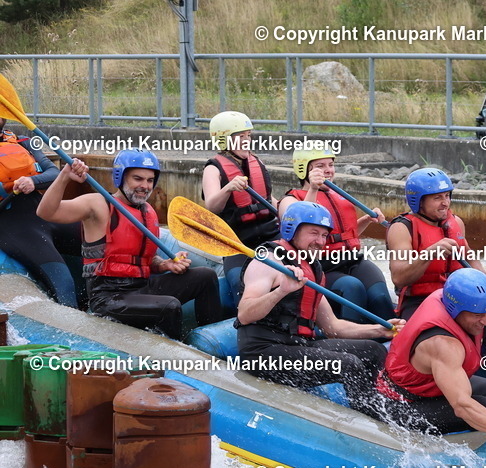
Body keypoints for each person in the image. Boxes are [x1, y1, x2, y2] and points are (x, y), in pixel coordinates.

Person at [36, 150, 221, 340]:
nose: (145, 186)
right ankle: (172, 357)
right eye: (138, 179)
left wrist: (164, 265)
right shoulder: (98, 204)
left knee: (205, 276)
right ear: (121, 177)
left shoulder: (147, 211)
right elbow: (46, 212)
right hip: (108, 296)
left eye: (150, 180)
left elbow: (142, 259)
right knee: (169, 305)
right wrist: (64, 176)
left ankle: (208, 341)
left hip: (141, 287)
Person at [235, 200, 402, 396]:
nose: (321, 242)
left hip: (297, 345)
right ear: (292, 230)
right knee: (349, 365)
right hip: (263, 353)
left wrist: (380, 330)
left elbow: (333, 327)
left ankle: (386, 403)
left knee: (374, 351)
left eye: (324, 235)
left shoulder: (312, 268)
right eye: (313, 233)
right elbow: (245, 315)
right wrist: (281, 291)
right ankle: (371, 419)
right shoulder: (269, 261)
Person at [373, 267, 486, 445]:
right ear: (456, 310)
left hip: (431, 386)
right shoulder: (443, 344)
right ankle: (478, 451)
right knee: (485, 407)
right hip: (402, 405)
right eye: (478, 316)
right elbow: (462, 406)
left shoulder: (462, 304)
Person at [280, 145, 394, 324]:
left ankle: (392, 341)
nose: (328, 170)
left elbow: (345, 235)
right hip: (321, 266)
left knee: (379, 294)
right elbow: (301, 223)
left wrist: (365, 220)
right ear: (304, 169)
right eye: (320, 166)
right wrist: (314, 190)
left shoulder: (337, 196)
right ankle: (353, 343)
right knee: (352, 287)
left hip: (352, 259)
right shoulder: (290, 200)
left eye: (331, 165)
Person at [0, 118, 81, 307]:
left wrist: (33, 182)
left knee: (104, 241)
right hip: (15, 227)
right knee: (64, 283)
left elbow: (54, 172)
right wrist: (12, 185)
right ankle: (74, 330)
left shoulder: (23, 141)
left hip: (46, 213)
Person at [386, 167, 486, 319]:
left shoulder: (456, 222)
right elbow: (399, 278)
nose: (445, 203)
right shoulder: (401, 228)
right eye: (437, 198)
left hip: (456, 296)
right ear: (419, 201)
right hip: (419, 300)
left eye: (447, 196)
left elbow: (470, 258)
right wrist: (430, 252)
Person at [201, 110, 278, 303]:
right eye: (240, 137)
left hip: (270, 236)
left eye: (248, 136)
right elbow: (211, 206)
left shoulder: (256, 162)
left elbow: (269, 199)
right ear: (223, 140)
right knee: (239, 281)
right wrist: (228, 188)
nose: (246, 141)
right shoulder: (213, 169)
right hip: (237, 244)